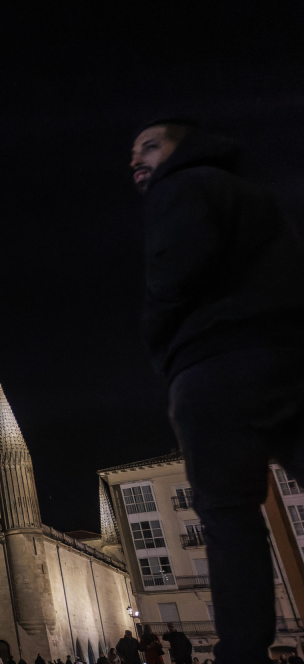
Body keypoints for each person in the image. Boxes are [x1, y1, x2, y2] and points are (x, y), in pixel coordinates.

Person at [131, 118, 304, 663]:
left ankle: (243, 653)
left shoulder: (180, 187)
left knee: (228, 518)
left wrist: (163, 346)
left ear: (182, 150)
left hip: (214, 366)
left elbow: (171, 274)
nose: (136, 161)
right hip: (286, 359)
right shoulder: (258, 197)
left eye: (149, 148)